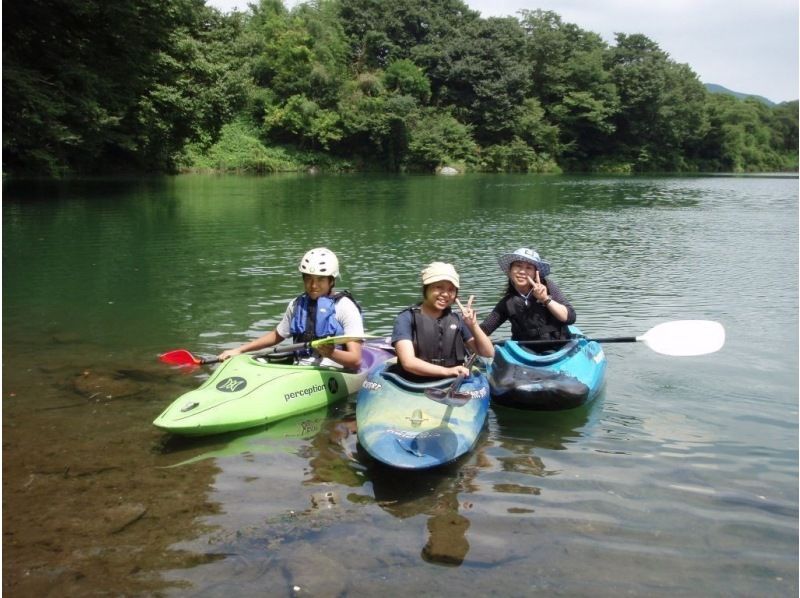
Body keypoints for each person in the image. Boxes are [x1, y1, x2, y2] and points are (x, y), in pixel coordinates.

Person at [218, 247, 364, 369]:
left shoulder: (345, 307)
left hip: (334, 370)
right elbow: (277, 336)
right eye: (308, 279)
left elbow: (356, 361)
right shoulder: (296, 304)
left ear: (331, 281)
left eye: (320, 279)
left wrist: (331, 353)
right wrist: (239, 350)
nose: (313, 285)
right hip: (300, 368)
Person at [391, 262, 494, 379]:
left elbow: (488, 353)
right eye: (438, 287)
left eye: (451, 290)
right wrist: (448, 371)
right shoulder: (406, 318)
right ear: (426, 288)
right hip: (412, 383)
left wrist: (473, 325)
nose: (445, 294)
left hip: (450, 382)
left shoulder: (457, 319)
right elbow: (408, 362)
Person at [480, 247, 576, 343]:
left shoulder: (548, 287)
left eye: (529, 268)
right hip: (524, 351)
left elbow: (570, 317)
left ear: (535, 273)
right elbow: (486, 328)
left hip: (557, 346)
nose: (522, 272)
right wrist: (470, 325)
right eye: (518, 266)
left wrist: (545, 299)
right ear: (510, 271)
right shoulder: (508, 302)